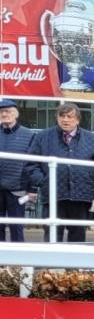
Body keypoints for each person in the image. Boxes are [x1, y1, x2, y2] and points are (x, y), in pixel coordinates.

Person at [29, 102, 94, 243]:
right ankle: (52, 257)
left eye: (70, 116)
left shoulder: (92, 139)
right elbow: (31, 164)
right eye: (62, 116)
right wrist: (44, 181)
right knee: (52, 234)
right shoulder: (42, 137)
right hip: (53, 195)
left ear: (77, 120)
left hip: (82, 196)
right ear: (57, 118)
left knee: (78, 236)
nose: (65, 120)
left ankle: (75, 259)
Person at [0, 98, 40, 242]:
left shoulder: (29, 135)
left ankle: (17, 256)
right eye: (1, 112)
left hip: (18, 189)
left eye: (8, 111)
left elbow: (34, 163)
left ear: (16, 114)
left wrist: (33, 189)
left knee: (16, 228)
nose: (4, 114)